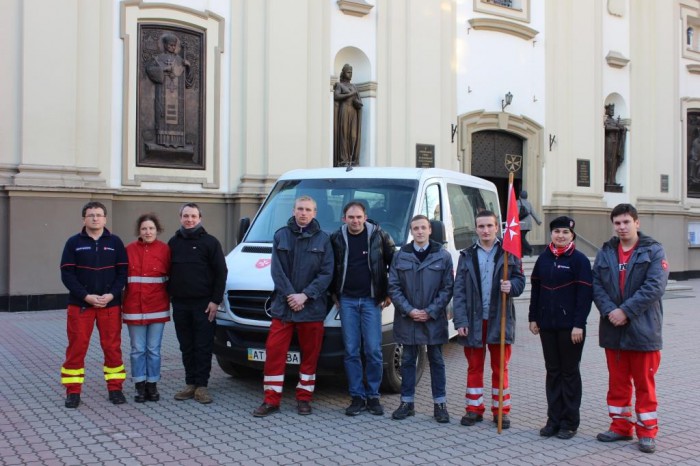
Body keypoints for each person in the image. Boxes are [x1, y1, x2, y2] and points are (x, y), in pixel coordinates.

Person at [593, 203, 668, 454]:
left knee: (644, 384)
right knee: (617, 382)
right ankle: (620, 427)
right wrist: (609, 311)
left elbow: (654, 286)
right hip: (613, 330)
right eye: (617, 223)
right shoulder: (605, 252)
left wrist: (625, 311)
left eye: (626, 222)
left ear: (637, 222)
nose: (622, 227)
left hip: (643, 330)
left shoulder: (653, 250)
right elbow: (596, 286)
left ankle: (646, 432)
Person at [253, 196, 334, 417]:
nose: (303, 213)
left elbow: (327, 273)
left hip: (312, 309)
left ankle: (304, 398)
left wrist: (305, 295)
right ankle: (271, 400)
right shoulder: (281, 235)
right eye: (300, 209)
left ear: (315, 212)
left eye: (308, 209)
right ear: (293, 210)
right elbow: (276, 271)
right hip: (284, 307)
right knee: (274, 352)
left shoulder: (324, 239)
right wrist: (291, 295)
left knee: (310, 355)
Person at [452, 210, 525, 429]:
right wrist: (460, 321)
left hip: (499, 320)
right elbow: (459, 291)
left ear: (497, 227)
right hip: (473, 321)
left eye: (489, 226)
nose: (485, 230)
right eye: (481, 226)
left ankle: (501, 411)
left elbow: (520, 281)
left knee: (500, 368)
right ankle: (474, 409)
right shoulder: (466, 255)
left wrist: (511, 286)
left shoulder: (508, 252)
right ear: (476, 229)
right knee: (474, 367)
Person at [528, 216, 593, 439]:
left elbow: (585, 296)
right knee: (553, 372)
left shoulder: (579, 260)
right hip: (547, 326)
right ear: (551, 234)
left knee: (569, 373)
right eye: (557, 232)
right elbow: (536, 289)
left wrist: (579, 324)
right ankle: (553, 420)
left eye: (565, 232)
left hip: (570, 329)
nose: (561, 236)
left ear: (572, 235)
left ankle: (569, 422)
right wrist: (533, 317)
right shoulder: (543, 259)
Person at [59, 201, 128, 408]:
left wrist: (112, 294)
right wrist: (86, 296)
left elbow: (122, 273)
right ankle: (73, 391)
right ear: (84, 219)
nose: (95, 218)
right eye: (91, 215)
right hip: (81, 305)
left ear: (105, 219)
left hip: (110, 305)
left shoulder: (115, 242)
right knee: (77, 348)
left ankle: (115, 389)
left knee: (112, 347)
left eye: (99, 215)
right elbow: (67, 274)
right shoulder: (73, 243)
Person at [330, 201, 395, 416]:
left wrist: (388, 292)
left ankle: (373, 396)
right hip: (347, 301)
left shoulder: (379, 236)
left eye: (358, 217)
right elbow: (330, 267)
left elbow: (394, 264)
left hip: (371, 301)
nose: (355, 221)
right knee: (351, 351)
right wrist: (333, 293)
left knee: (373, 350)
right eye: (351, 217)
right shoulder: (336, 237)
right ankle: (357, 396)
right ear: (344, 218)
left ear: (365, 217)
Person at [388, 215, 454, 423]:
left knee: (436, 361)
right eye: (415, 228)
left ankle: (440, 405)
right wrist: (409, 310)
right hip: (408, 318)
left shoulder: (442, 256)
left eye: (423, 228)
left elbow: (447, 288)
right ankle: (407, 403)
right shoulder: (401, 256)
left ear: (430, 230)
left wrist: (430, 310)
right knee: (407, 360)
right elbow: (393, 286)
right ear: (411, 231)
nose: (419, 232)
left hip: (433, 318)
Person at [168, 203, 228, 404]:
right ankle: (190, 383)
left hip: (204, 304)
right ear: (180, 218)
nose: (189, 219)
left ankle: (202, 386)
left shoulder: (210, 243)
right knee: (186, 346)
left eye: (193, 216)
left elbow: (221, 273)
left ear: (200, 218)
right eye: (186, 216)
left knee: (203, 345)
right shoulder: (173, 243)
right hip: (180, 304)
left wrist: (215, 301)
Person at [122, 213, 171, 403]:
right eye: (144, 229)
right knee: (137, 349)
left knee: (154, 349)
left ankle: (153, 385)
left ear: (157, 230)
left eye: (151, 228)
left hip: (157, 306)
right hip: (134, 307)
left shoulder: (165, 250)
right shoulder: (129, 250)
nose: (148, 232)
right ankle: (139, 386)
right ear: (139, 231)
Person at [145, 33, 193, 148]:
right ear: (165, 45)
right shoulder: (158, 58)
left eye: (174, 45)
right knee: (163, 115)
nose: (172, 47)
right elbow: (150, 69)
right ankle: (163, 142)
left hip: (177, 95)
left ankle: (177, 143)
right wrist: (165, 69)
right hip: (163, 93)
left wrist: (188, 67)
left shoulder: (179, 59)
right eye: (170, 45)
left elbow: (188, 81)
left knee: (176, 118)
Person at [333, 63, 363, 166]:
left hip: (353, 111)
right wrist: (350, 94)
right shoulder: (340, 85)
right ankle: (343, 159)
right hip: (344, 109)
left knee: (353, 136)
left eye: (351, 72)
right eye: (348, 72)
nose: (350, 74)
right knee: (344, 134)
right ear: (343, 72)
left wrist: (358, 103)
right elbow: (336, 96)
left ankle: (352, 158)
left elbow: (359, 101)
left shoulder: (354, 86)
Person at [517, 190, 542, 256]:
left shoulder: (518, 202)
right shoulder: (529, 203)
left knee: (521, 238)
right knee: (521, 238)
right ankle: (521, 253)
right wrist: (538, 221)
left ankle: (530, 249)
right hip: (528, 224)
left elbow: (516, 213)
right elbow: (533, 213)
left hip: (521, 224)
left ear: (519, 196)